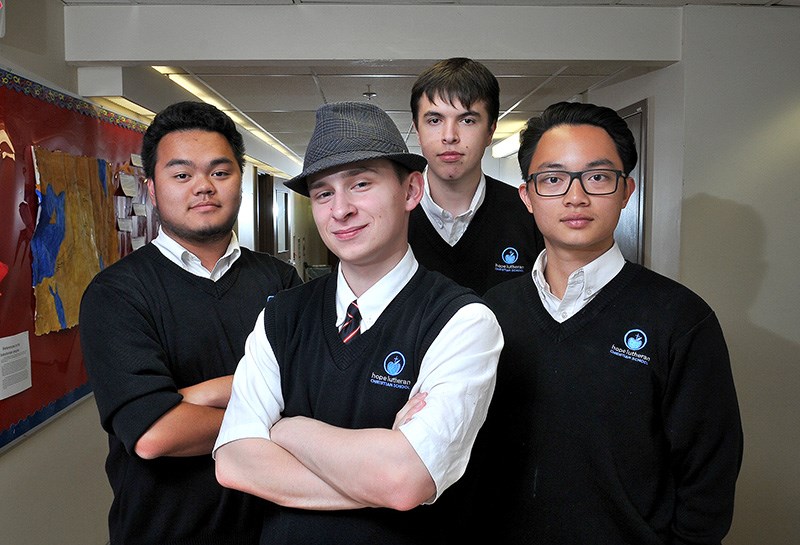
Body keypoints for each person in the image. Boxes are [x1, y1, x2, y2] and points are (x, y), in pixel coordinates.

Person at [213, 101, 503, 545]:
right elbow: (234, 462)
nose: (340, 209)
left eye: (361, 184)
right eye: (324, 193)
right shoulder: (281, 316)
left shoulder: (462, 321)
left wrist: (287, 429)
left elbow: (404, 480)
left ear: (410, 191)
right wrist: (379, 470)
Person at [478, 101, 744, 544]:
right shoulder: (491, 312)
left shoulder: (679, 319)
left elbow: (709, 477)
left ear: (626, 191)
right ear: (526, 196)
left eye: (598, 177)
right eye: (553, 178)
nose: (575, 196)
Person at [79, 101, 302, 545]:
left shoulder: (280, 280)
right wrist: (271, 405)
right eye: (182, 175)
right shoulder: (117, 294)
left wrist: (190, 398)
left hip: (277, 526)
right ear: (152, 186)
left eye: (220, 172)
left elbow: (315, 390)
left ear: (241, 179)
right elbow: (154, 434)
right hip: (169, 531)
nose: (203, 187)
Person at [408, 57, 544, 295]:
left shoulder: (530, 214)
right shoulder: (390, 215)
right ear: (418, 131)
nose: (449, 136)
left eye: (467, 120)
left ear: (490, 131)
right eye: (435, 120)